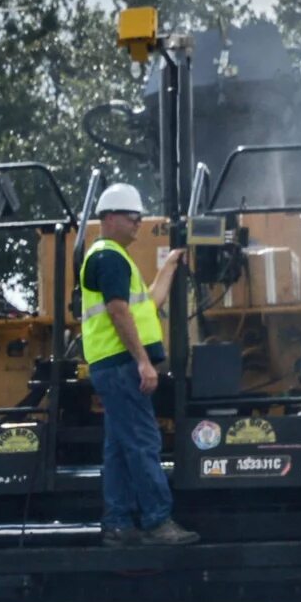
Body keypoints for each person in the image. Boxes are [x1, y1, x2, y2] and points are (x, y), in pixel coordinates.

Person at [80, 183, 197, 550]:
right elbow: (118, 312)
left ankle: (118, 523)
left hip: (110, 365)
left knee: (118, 447)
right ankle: (157, 521)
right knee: (144, 442)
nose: (139, 225)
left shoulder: (111, 257)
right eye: (133, 218)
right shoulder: (109, 256)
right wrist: (144, 362)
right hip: (121, 366)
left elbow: (149, 302)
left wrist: (171, 264)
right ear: (111, 217)